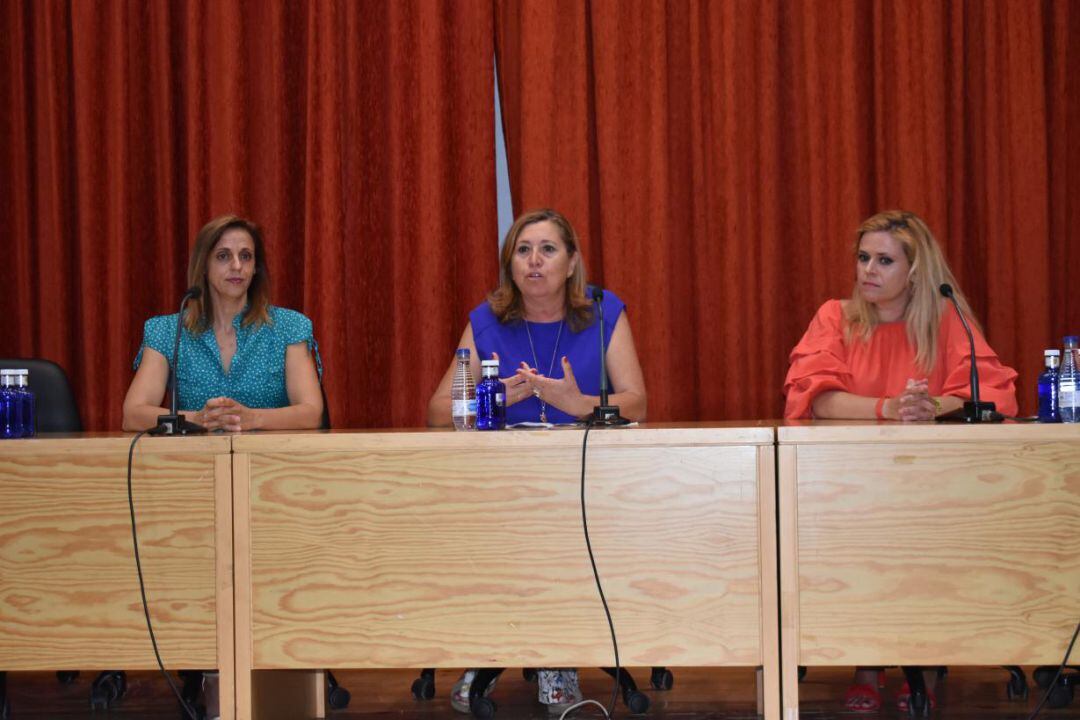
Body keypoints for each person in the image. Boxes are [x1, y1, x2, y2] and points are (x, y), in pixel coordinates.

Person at [783, 209, 1018, 712]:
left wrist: (932, 406)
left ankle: (926, 663)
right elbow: (814, 399)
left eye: (884, 260)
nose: (868, 269)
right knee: (862, 545)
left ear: (915, 270)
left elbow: (990, 394)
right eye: (863, 257)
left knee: (929, 543)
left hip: (931, 485)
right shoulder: (835, 317)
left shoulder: (946, 319)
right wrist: (888, 408)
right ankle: (866, 665)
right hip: (851, 486)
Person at [427, 208, 647, 714]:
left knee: (561, 525)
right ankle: (502, 646)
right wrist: (492, 398)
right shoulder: (486, 321)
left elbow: (637, 402)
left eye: (548, 249)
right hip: (501, 491)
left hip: (586, 486)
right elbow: (438, 412)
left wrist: (580, 404)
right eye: (523, 250)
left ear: (571, 263)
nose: (534, 260)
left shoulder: (603, 313)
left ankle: (559, 654)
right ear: (510, 264)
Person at [122, 214, 324, 719]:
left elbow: (311, 412)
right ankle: (212, 665)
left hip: (274, 488)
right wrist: (196, 418)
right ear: (204, 265)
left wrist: (253, 418)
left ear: (257, 268)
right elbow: (133, 413)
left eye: (246, 256)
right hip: (191, 491)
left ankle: (269, 665)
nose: (236, 266)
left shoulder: (288, 326)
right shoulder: (167, 330)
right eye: (224, 256)